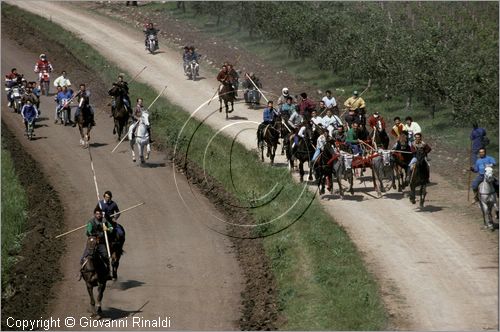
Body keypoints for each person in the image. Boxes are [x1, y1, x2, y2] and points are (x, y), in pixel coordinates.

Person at [80, 207, 113, 280]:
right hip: (93, 242)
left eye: (100, 214)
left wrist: (107, 229)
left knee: (105, 256)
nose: (98, 215)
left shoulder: (105, 221)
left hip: (101, 243)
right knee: (83, 257)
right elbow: (88, 232)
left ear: (101, 215)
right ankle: (81, 272)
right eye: (97, 214)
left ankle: (108, 273)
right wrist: (92, 233)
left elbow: (111, 228)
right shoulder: (91, 222)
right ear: (95, 214)